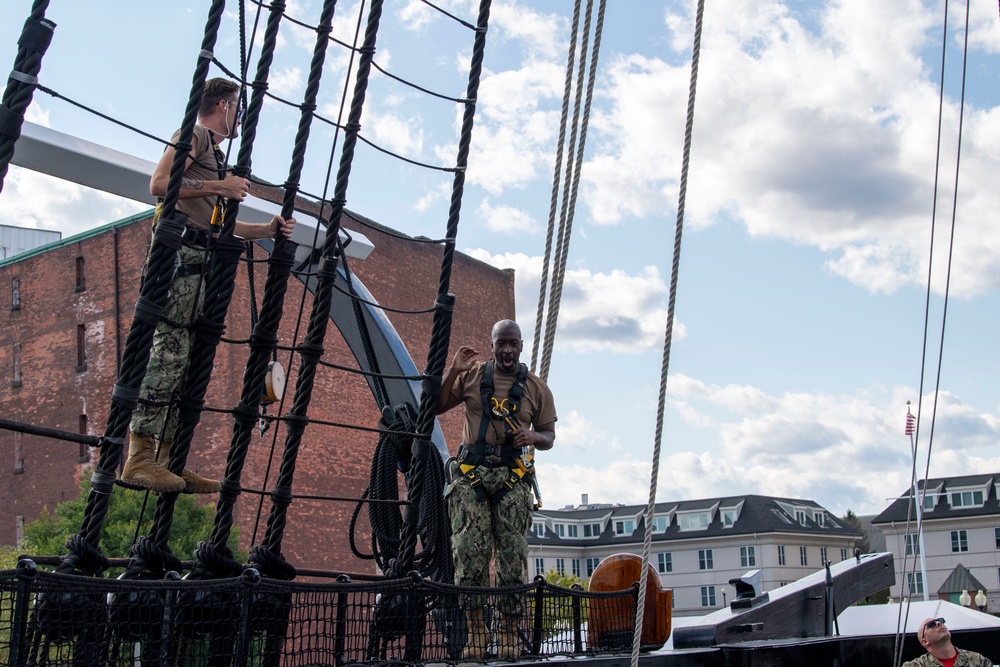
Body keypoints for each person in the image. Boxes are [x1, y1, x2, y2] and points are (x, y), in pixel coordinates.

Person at [120, 78, 295, 495]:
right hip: (179, 261)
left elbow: (220, 225)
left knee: (186, 366)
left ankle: (167, 460)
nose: (240, 117)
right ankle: (139, 458)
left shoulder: (213, 154)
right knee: (168, 355)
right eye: (238, 107)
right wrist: (221, 186)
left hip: (200, 262)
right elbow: (159, 184)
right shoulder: (194, 135)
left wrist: (266, 229)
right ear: (223, 104)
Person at [437, 319, 556, 661]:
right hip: (471, 476)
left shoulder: (536, 388)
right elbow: (436, 406)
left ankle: (507, 632)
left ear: (520, 346)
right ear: (493, 345)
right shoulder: (472, 375)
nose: (506, 350)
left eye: (512, 344)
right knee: (468, 556)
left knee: (511, 558)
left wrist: (533, 437)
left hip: (511, 479)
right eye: (500, 343)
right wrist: (453, 371)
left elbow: (548, 435)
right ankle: (476, 633)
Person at [903, 617, 993, 667]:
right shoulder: (915, 666)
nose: (938, 623)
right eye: (931, 625)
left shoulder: (978, 660)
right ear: (925, 641)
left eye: (940, 621)